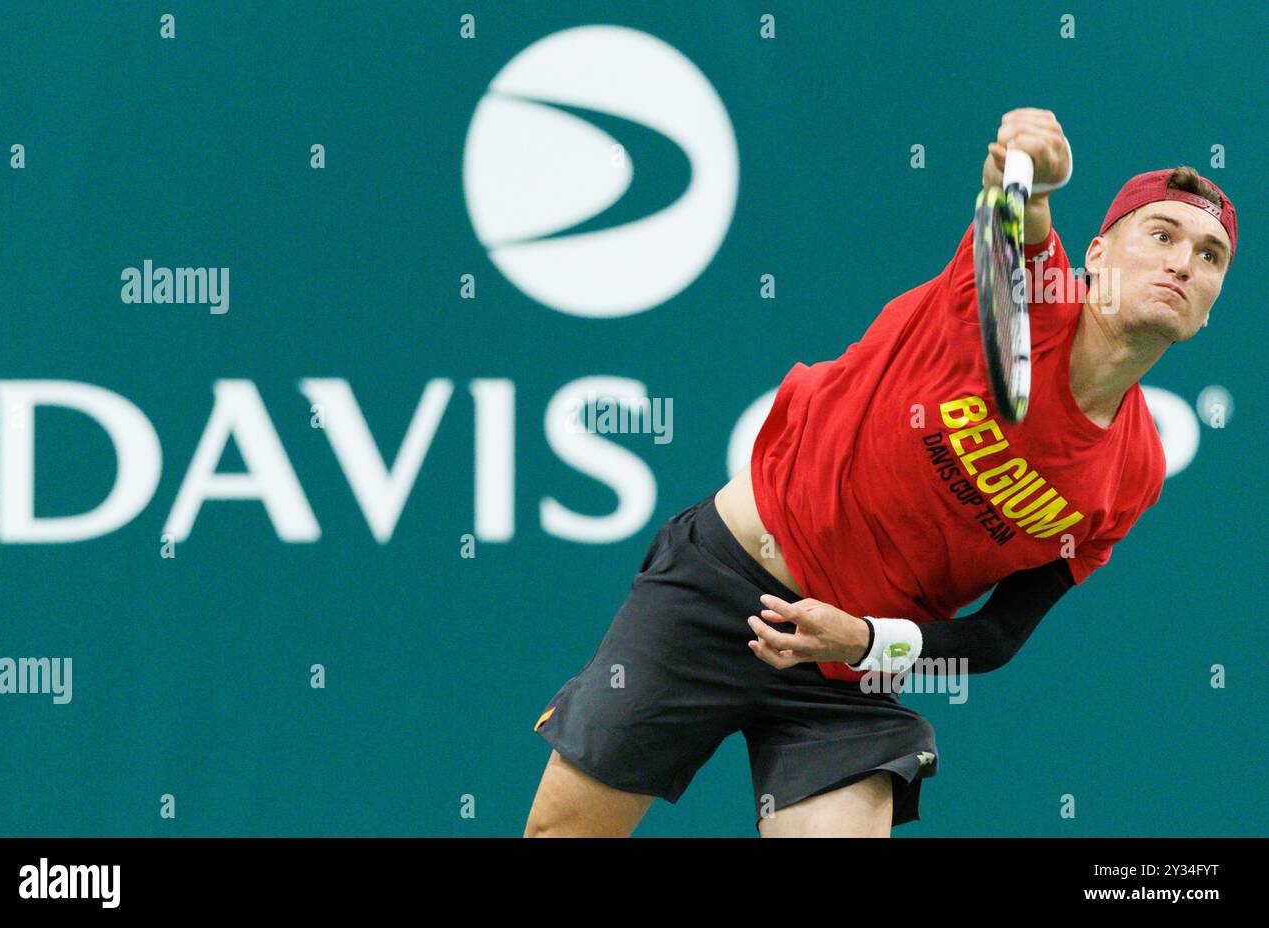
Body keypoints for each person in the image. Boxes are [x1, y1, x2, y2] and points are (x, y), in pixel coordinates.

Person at [524, 108, 1237, 837]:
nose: (1183, 263)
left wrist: (860, 643)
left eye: (1210, 257)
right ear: (1096, 254)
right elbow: (1012, 214)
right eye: (1162, 235)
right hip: (719, 591)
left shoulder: (1134, 472)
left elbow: (995, 637)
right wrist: (1029, 174)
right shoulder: (1017, 298)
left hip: (847, 668)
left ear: (1211, 309)